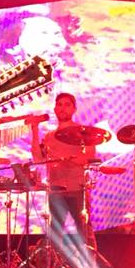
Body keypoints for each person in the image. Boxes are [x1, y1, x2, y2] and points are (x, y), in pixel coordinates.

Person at [28, 92, 96, 237]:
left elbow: (89, 158)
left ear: (74, 109)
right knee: (55, 233)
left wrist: (66, 159)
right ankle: (55, 253)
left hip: (78, 188)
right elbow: (38, 159)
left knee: (84, 231)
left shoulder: (83, 132)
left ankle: (88, 253)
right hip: (56, 190)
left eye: (67, 105)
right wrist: (34, 130)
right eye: (59, 105)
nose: (62, 108)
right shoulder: (49, 136)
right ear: (55, 109)